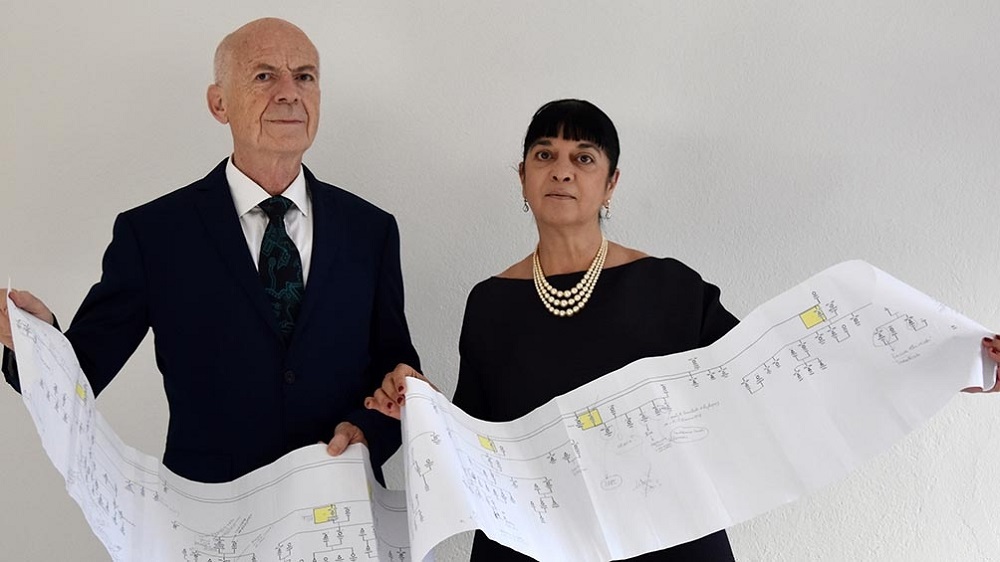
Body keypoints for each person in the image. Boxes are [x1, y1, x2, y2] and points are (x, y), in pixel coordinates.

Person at [364, 99, 1000, 561]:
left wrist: (941, 364)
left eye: (583, 157)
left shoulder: (669, 286)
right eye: (544, 155)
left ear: (610, 183)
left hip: (667, 540)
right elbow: (479, 436)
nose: (562, 170)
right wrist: (418, 407)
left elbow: (776, 377)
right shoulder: (488, 303)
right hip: (536, 548)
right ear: (523, 178)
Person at [0, 18, 419, 484]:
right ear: (219, 103)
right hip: (207, 512)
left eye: (304, 76)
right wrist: (36, 341)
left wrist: (370, 430)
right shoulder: (153, 234)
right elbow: (82, 376)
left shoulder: (370, 230)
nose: (289, 93)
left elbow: (398, 374)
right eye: (264, 76)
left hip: (342, 502)